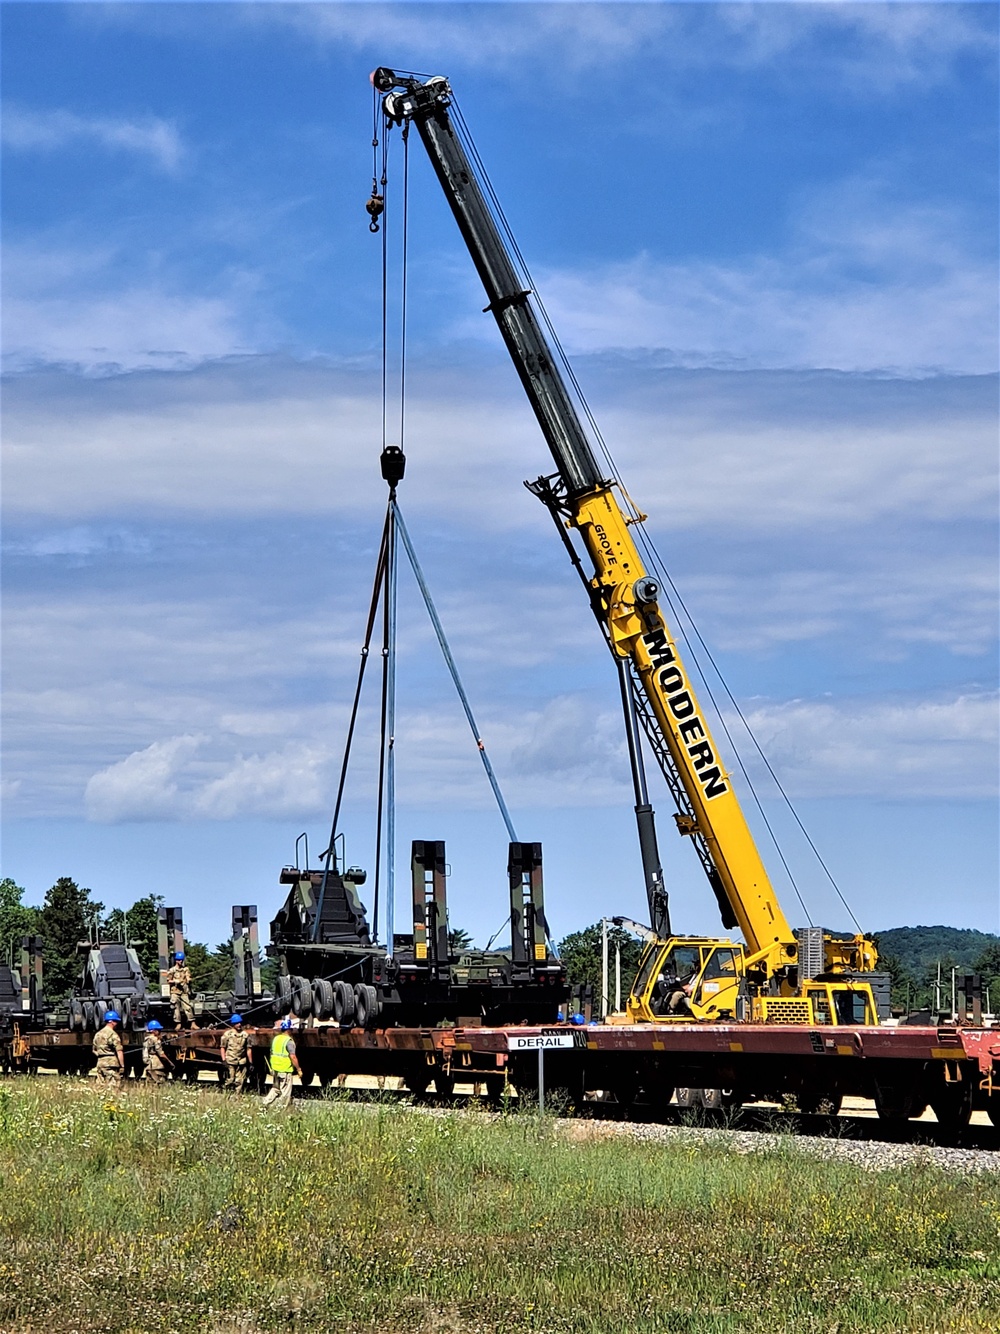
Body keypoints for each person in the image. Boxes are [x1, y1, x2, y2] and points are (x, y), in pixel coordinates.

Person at [261, 1017, 301, 1111]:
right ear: (289, 1029)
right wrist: (299, 1069)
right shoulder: (289, 1041)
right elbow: (293, 1057)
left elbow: (272, 1053)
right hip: (285, 1070)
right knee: (285, 1093)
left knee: (275, 1089)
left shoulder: (276, 1039)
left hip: (275, 1069)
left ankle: (265, 1103)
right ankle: (280, 1110)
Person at [92, 1010, 125, 1089]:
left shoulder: (98, 1034)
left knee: (100, 1086)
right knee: (113, 1086)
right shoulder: (113, 1034)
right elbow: (119, 1051)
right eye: (116, 1021)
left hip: (100, 1063)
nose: (117, 1024)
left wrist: (102, 1056)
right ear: (112, 1022)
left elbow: (94, 1050)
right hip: (111, 1063)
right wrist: (122, 1065)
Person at [219, 1014, 249, 1092]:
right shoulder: (227, 1035)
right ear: (233, 1024)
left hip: (241, 1061)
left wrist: (250, 1062)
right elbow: (223, 1047)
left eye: (240, 1023)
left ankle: (237, 1095)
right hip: (230, 1060)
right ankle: (226, 1093)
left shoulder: (245, 1035)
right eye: (237, 1023)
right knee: (230, 1079)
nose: (239, 1024)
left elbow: (248, 1049)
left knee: (240, 1081)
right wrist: (223, 1060)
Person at [164, 950, 194, 1028]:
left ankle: (192, 1023)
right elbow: (168, 981)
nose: (180, 961)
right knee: (175, 1008)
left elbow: (188, 977)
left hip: (184, 992)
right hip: (175, 992)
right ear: (176, 960)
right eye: (178, 960)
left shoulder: (185, 969)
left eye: (181, 960)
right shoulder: (172, 970)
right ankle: (178, 1023)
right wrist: (176, 981)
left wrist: (188, 980)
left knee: (188, 1006)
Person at [142, 1019, 173, 1084]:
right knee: (160, 1081)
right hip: (156, 1064)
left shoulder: (146, 1039)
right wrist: (170, 1062)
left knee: (150, 1083)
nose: (159, 1032)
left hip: (149, 1064)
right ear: (154, 1031)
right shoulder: (155, 1040)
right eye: (158, 1030)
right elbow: (161, 1054)